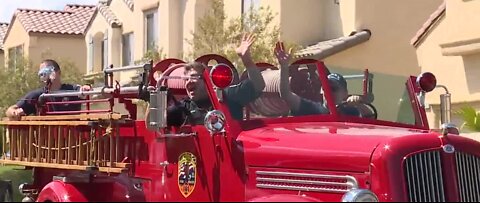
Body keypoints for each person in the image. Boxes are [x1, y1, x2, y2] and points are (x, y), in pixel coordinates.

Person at [148, 33, 265, 126]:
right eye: (186, 80)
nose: (188, 82)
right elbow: (152, 125)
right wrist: (153, 98)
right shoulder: (183, 108)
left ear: (207, 80)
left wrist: (246, 59)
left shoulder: (229, 97)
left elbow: (258, 85)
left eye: (193, 77)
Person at [275, 42, 368, 116]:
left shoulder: (351, 112)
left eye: (333, 89)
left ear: (345, 93)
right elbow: (286, 95)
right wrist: (284, 66)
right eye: (325, 88)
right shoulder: (313, 109)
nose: (328, 92)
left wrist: (359, 104)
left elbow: (371, 120)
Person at [5, 59, 91, 120]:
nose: (45, 76)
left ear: (58, 72)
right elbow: (10, 109)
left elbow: (85, 91)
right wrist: (13, 113)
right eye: (41, 74)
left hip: (71, 141)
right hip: (47, 142)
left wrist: (86, 88)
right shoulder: (38, 95)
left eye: (48, 72)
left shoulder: (71, 89)